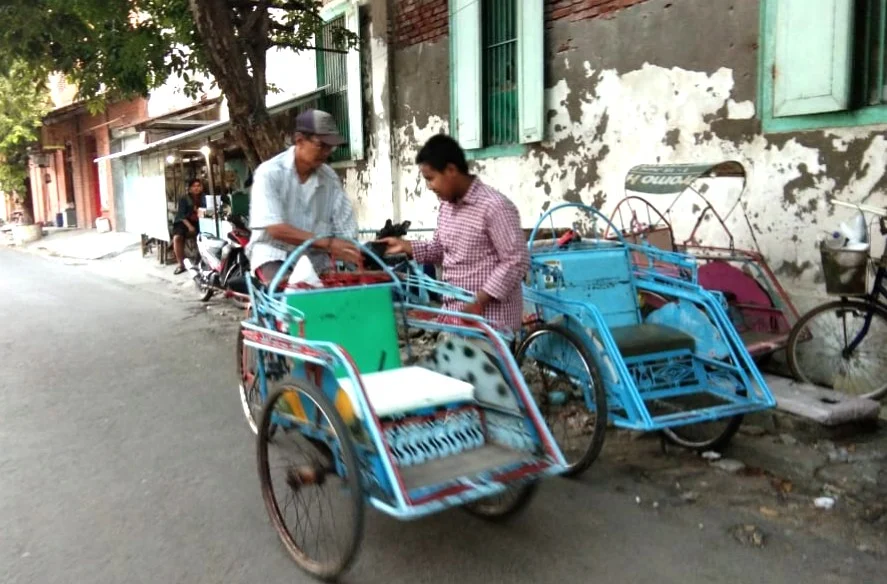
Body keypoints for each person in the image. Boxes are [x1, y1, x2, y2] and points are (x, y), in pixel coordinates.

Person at [379, 134, 530, 334]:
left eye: (431, 178)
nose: (429, 187)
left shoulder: (495, 207)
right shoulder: (447, 207)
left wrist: (480, 300)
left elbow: (516, 260)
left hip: (489, 326)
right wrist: (405, 246)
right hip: (454, 319)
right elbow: (441, 250)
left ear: (451, 170)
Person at [247, 109, 361, 286]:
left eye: (330, 147)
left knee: (341, 297)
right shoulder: (269, 173)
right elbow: (276, 229)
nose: (326, 152)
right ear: (299, 140)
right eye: (321, 145)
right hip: (274, 254)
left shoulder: (330, 179)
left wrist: (353, 254)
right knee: (292, 295)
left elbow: (346, 229)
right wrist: (329, 243)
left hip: (315, 260)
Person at [172, 178, 204, 274]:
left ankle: (203, 260)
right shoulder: (184, 199)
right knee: (177, 238)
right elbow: (181, 215)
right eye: (194, 186)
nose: (196, 188)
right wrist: (190, 227)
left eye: (198, 186)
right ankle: (181, 265)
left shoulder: (204, 198)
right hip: (183, 222)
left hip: (198, 221)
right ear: (190, 188)